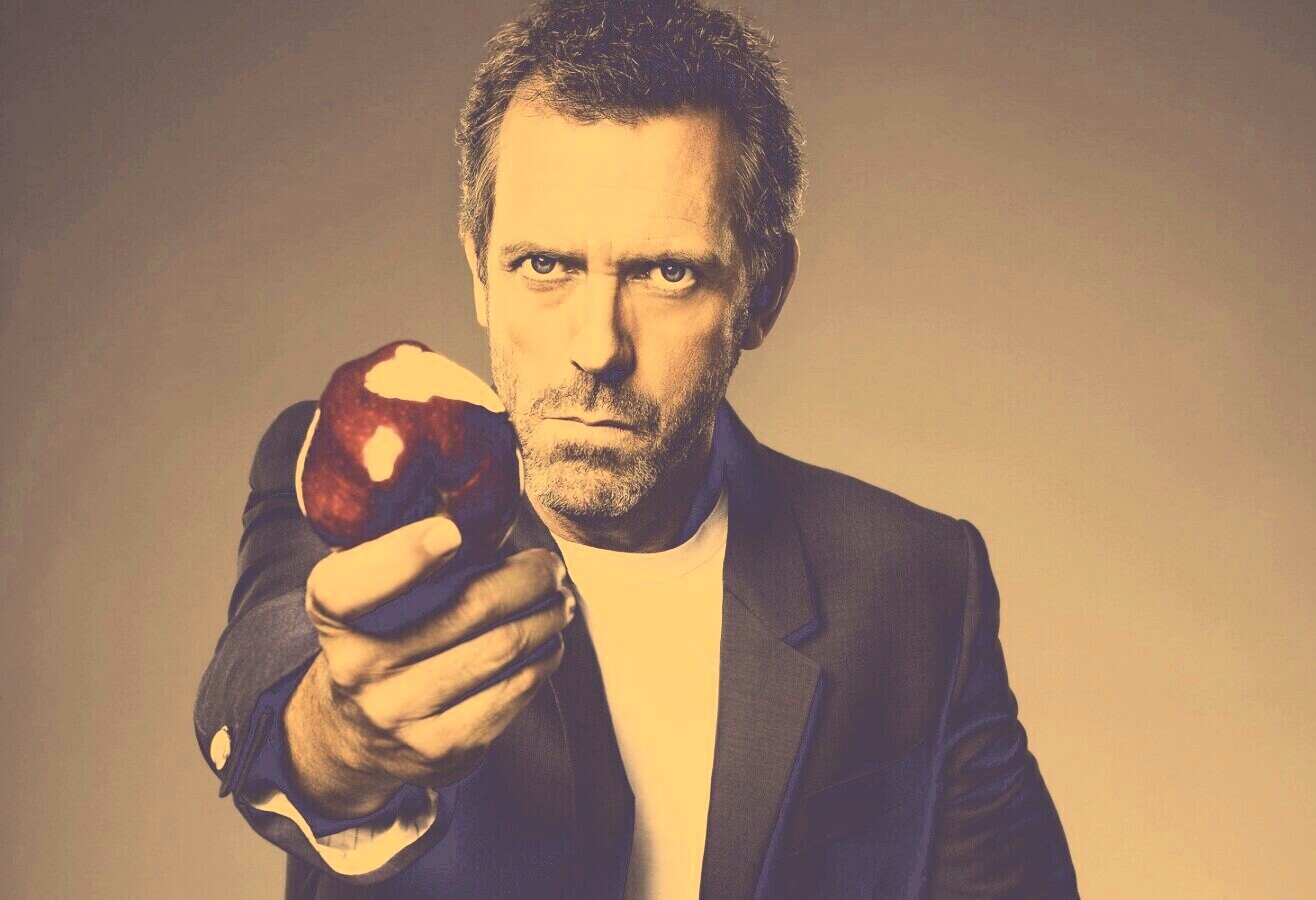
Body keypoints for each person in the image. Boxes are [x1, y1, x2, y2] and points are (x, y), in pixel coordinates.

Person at [193, 0, 1080, 897]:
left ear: (763, 293)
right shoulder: (351, 476)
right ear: (480, 272)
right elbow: (262, 696)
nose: (597, 346)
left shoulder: (916, 580)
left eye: (667, 273)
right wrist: (344, 742)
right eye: (545, 265)